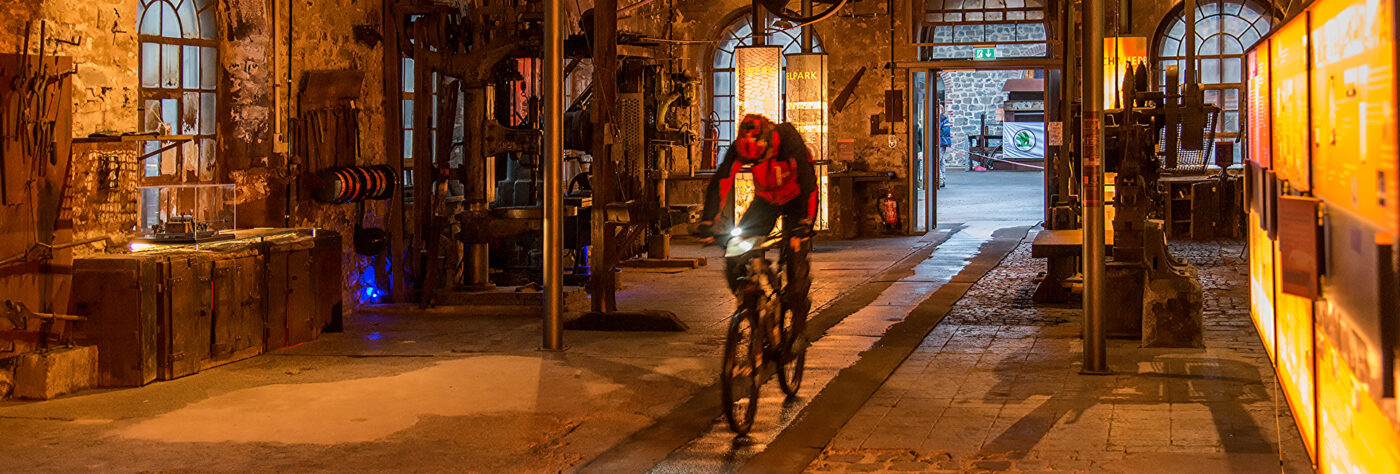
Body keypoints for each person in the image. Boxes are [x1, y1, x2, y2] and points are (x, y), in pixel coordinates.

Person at [698, 114, 818, 319]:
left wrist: (805, 223)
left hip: (797, 199)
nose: (755, 163)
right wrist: (709, 221)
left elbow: (808, 182)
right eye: (751, 161)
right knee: (735, 250)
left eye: (759, 158)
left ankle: (798, 324)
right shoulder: (740, 148)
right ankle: (752, 313)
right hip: (765, 201)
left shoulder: (788, 138)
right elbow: (721, 180)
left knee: (795, 258)